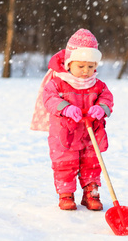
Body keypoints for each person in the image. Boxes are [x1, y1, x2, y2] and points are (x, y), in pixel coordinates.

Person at [31, 28, 114, 211]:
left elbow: (107, 99)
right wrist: (66, 108)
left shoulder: (98, 85)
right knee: (65, 163)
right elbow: (50, 99)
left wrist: (100, 109)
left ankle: (91, 192)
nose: (86, 71)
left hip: (90, 132)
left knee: (92, 162)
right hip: (64, 134)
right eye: (81, 66)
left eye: (91, 67)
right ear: (69, 64)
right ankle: (66, 193)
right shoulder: (58, 82)